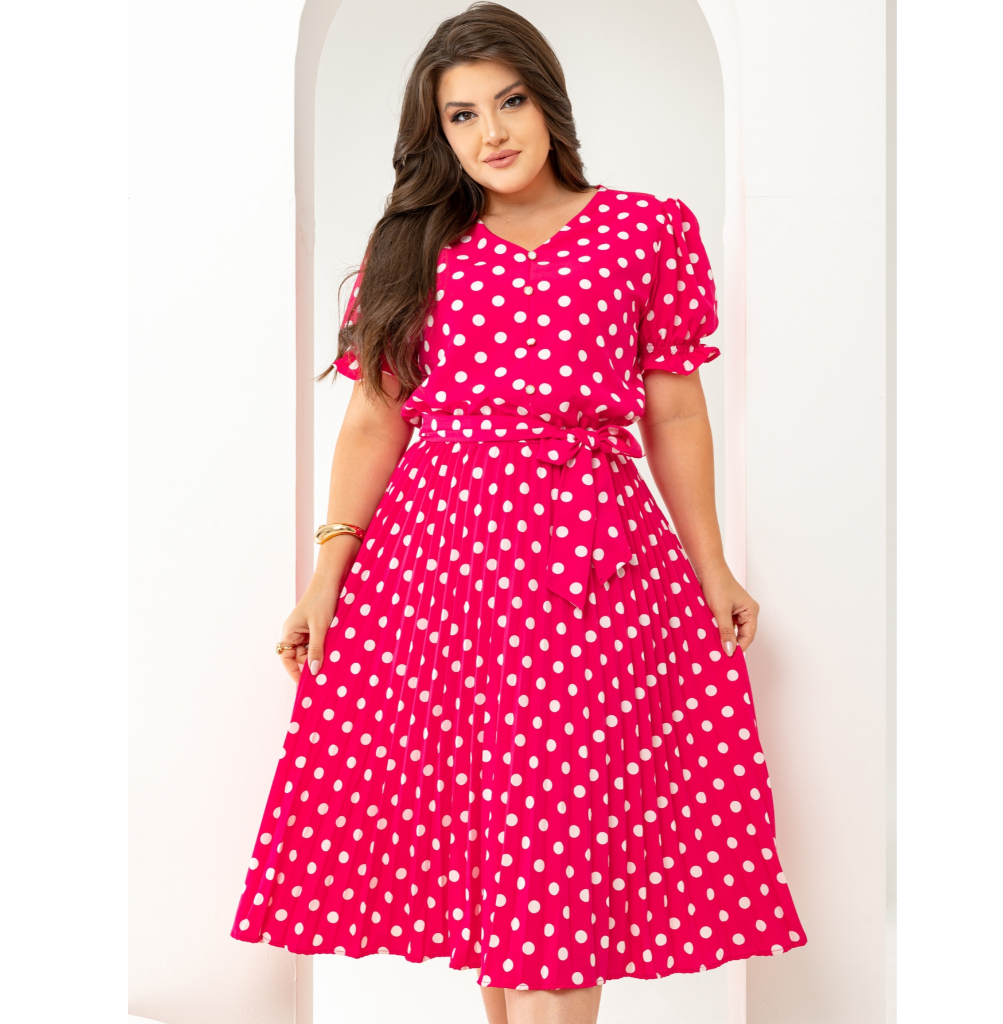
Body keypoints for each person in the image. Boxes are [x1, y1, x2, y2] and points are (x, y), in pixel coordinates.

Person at [231, 4, 805, 1022]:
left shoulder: (645, 229)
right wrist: (325, 578)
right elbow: (373, 420)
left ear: (549, 104)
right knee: (498, 849)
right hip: (438, 578)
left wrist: (711, 563)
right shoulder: (415, 246)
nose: (491, 132)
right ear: (437, 133)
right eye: (461, 116)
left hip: (589, 568)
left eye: (509, 102)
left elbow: (674, 408)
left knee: (558, 840)